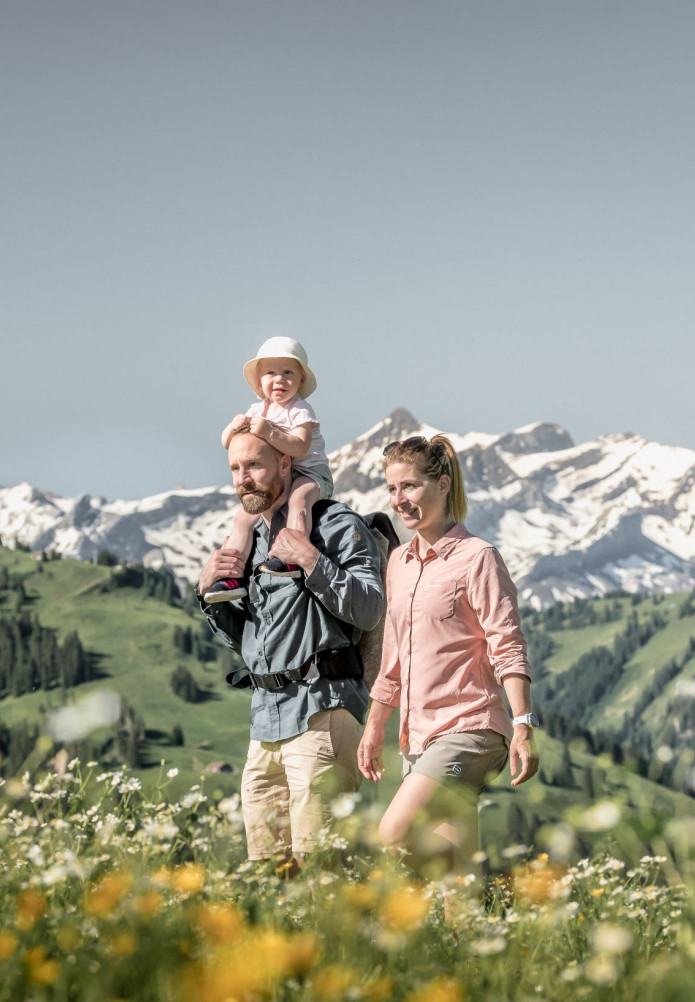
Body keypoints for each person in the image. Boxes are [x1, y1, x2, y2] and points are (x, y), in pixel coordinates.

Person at [356, 434, 540, 881]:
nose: (400, 500)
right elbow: (394, 657)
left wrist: (522, 725)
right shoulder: (399, 561)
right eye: (393, 490)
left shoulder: (479, 558)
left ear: (442, 485)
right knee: (453, 873)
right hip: (417, 736)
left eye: (411, 487)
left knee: (393, 834)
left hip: (469, 729)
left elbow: (507, 644)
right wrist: (375, 725)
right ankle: (474, 943)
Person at [199, 430, 383, 872]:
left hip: (323, 711)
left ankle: (337, 944)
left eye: (255, 466)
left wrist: (312, 560)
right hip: (265, 724)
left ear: (286, 464)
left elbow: (371, 609)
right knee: (269, 869)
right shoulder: (249, 543)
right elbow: (244, 640)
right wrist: (207, 594)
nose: (244, 479)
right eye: (236, 470)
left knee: (319, 866)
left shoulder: (335, 524)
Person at [206, 336, 335, 602]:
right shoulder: (257, 409)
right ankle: (231, 574)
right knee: (242, 519)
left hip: (311, 474)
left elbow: (299, 447)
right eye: (271, 373)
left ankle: (291, 556)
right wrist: (233, 426)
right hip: (279, 476)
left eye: (288, 373)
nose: (279, 380)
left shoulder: (300, 410)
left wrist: (271, 433)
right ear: (259, 382)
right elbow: (226, 442)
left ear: (300, 381)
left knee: (299, 500)